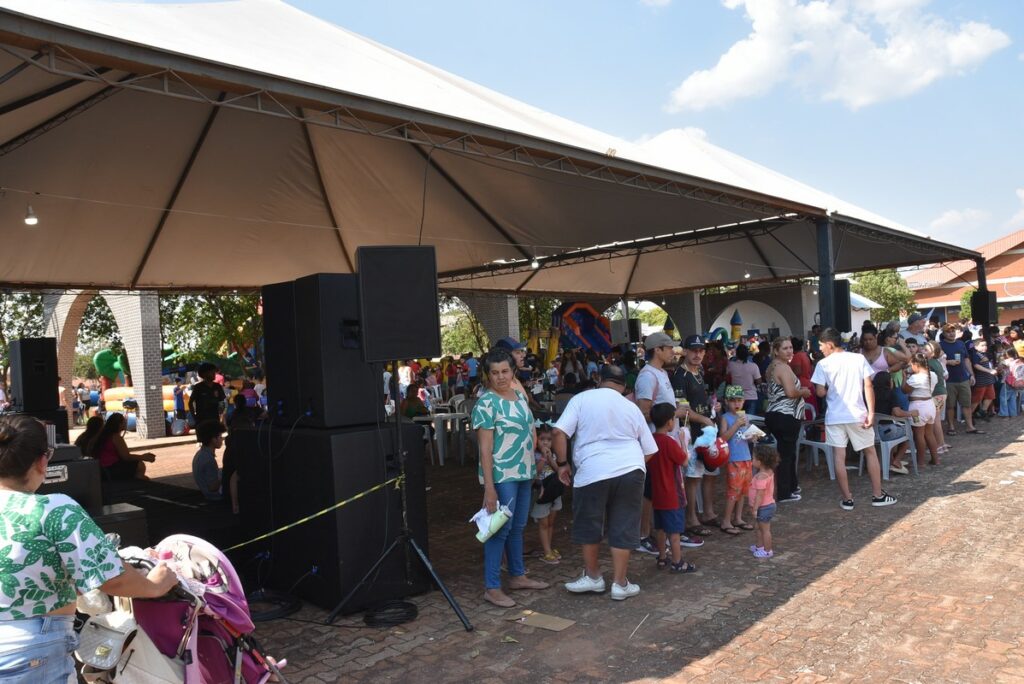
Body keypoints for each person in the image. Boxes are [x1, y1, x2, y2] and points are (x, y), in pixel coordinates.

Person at [0, 416, 179, 680]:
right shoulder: (53, 509)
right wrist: (156, 584)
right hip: (32, 651)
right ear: (42, 462)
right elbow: (113, 578)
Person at [553, 364, 657, 601]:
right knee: (624, 523)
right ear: (624, 386)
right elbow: (650, 449)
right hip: (630, 469)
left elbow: (559, 433)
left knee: (589, 522)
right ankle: (620, 584)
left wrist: (562, 464)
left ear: (599, 379)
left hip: (592, 469)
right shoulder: (631, 407)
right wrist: (630, 464)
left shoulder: (582, 399)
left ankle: (593, 576)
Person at [472, 348, 547, 608]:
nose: (500, 377)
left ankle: (517, 575)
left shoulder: (519, 396)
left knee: (517, 526)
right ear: (487, 375)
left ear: (513, 372)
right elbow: (484, 450)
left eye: (505, 371)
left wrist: (534, 464)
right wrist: (489, 488)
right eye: (495, 373)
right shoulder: (486, 404)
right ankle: (492, 587)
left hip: (524, 472)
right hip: (502, 475)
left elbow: (529, 432)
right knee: (499, 528)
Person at [811, 328, 897, 510]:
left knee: (839, 456)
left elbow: (820, 392)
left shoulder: (822, 364)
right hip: (858, 413)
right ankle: (877, 495)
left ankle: (847, 498)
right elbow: (868, 385)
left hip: (835, 416)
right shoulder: (858, 358)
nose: (820, 349)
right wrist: (871, 412)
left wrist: (830, 389)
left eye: (821, 345)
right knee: (870, 452)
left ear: (829, 344)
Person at [634, 332, 693, 555]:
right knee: (651, 490)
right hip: (654, 442)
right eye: (668, 348)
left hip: (666, 440)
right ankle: (644, 534)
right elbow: (643, 413)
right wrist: (674, 413)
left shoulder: (662, 373)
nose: (672, 352)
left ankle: (665, 532)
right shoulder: (648, 376)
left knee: (663, 487)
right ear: (657, 350)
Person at [671, 335, 719, 537]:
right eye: (693, 350)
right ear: (685, 351)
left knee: (707, 473)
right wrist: (704, 419)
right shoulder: (680, 375)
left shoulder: (699, 372)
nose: (698, 354)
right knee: (692, 478)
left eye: (701, 351)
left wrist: (712, 408)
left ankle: (707, 513)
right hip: (689, 433)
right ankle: (691, 518)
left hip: (704, 432)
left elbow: (698, 402)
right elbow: (682, 409)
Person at [648, 402, 696, 574]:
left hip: (657, 493)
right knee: (674, 532)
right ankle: (677, 562)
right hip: (672, 494)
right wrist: (683, 442)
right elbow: (684, 461)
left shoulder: (651, 440)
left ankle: (662, 557)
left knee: (660, 529)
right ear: (669, 422)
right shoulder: (669, 442)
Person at [763, 337, 809, 503]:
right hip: (785, 415)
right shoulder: (782, 367)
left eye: (790, 347)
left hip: (775, 414)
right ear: (776, 351)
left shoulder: (772, 366)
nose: (789, 351)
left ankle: (792, 486)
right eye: (785, 348)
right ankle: (784, 492)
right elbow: (790, 392)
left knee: (788, 453)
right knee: (786, 455)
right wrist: (803, 391)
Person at [719, 386, 755, 534]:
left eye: (739, 400)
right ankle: (726, 521)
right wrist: (736, 425)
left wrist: (753, 436)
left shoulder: (744, 417)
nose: (737, 404)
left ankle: (738, 518)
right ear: (727, 402)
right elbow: (723, 438)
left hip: (746, 457)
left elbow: (748, 436)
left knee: (743, 490)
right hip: (734, 459)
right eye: (733, 401)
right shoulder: (725, 418)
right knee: (733, 491)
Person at [872, 371, 917, 475]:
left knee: (893, 434)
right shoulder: (891, 394)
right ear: (888, 382)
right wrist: (911, 413)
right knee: (908, 433)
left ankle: (890, 460)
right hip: (886, 431)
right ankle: (897, 460)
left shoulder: (869, 394)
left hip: (872, 432)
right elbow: (897, 412)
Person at [87, 413, 156, 480]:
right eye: (124, 421)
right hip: (111, 469)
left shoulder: (102, 435)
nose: (126, 423)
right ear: (119, 424)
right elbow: (126, 457)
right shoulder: (116, 437)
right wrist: (144, 457)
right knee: (140, 465)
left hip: (101, 468)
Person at [939, 323, 978, 436]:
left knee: (966, 403)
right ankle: (951, 426)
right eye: (948, 332)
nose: (951, 334)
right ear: (944, 334)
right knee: (950, 405)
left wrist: (971, 374)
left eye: (953, 331)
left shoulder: (961, 344)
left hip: (963, 378)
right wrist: (948, 362)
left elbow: (966, 360)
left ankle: (970, 426)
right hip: (949, 380)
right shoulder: (940, 345)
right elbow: (936, 361)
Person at [530, 423, 561, 565]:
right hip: (541, 492)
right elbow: (535, 472)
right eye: (542, 439)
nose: (545, 442)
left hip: (553, 491)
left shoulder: (553, 454)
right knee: (543, 523)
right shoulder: (534, 455)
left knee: (551, 522)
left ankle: (547, 549)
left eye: (548, 440)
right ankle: (547, 552)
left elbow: (558, 470)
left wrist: (550, 459)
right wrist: (543, 458)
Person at [902, 352, 940, 467]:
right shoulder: (933, 375)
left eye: (911, 365)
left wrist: (904, 377)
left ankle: (921, 462)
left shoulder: (915, 378)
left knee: (919, 435)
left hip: (918, 407)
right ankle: (936, 459)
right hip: (930, 405)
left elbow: (905, 390)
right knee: (929, 434)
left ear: (916, 365)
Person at [749, 443, 780, 558]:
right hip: (766, 506)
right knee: (759, 527)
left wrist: (755, 508)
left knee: (765, 529)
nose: (752, 460)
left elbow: (760, 495)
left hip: (763, 507)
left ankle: (767, 550)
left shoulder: (761, 476)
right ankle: (759, 546)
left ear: (760, 462)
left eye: (753, 458)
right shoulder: (769, 471)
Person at [925, 341, 949, 454]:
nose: (923, 351)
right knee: (937, 420)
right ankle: (942, 444)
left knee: (935, 421)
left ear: (933, 352)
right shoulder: (937, 362)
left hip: (936, 393)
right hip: (941, 392)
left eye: (926, 350)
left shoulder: (929, 363)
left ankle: (939, 445)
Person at [192, 420, 225, 502]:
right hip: (216, 496)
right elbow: (213, 487)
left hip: (208, 494)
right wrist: (226, 475)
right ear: (213, 439)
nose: (222, 439)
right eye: (220, 437)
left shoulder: (200, 454)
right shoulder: (209, 460)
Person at [726, 345, 761, 415]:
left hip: (736, 396)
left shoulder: (731, 365)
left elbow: (727, 378)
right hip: (751, 396)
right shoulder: (753, 366)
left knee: (738, 419)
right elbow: (759, 381)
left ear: (737, 354)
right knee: (749, 419)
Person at [969, 337, 998, 422]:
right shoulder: (975, 354)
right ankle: (969, 415)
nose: (984, 347)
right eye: (982, 345)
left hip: (989, 379)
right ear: (976, 347)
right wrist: (989, 371)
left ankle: (982, 412)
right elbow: (976, 365)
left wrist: (993, 370)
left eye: (985, 345)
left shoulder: (985, 354)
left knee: (990, 396)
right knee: (977, 399)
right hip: (981, 380)